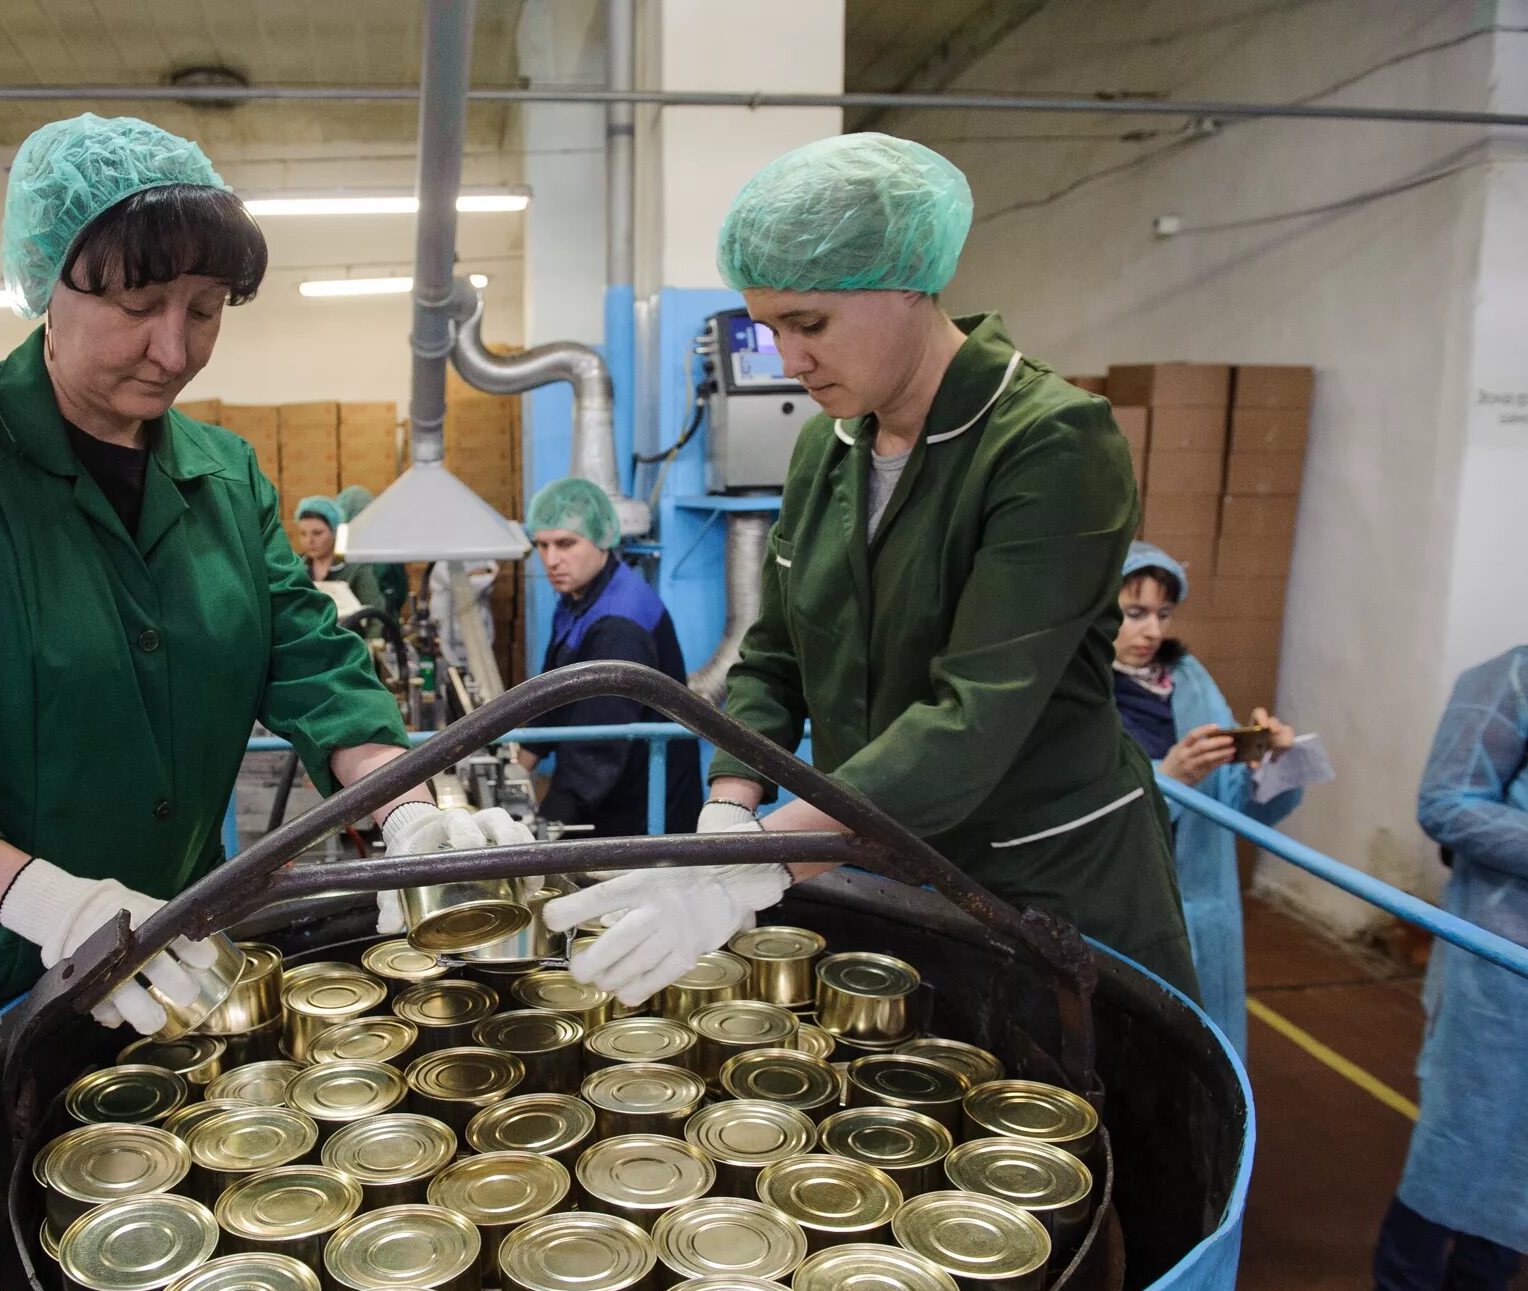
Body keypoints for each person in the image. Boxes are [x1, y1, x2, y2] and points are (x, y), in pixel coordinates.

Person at [0, 113, 529, 1291]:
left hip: (158, 958)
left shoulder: (223, 477)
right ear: (48, 281)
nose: (171, 346)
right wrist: (39, 896)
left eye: (204, 307)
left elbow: (307, 653)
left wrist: (407, 794)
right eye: (136, 304)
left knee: (124, 1251)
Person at [550, 131, 1196, 1005]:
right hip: (890, 865)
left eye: (809, 324)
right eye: (770, 328)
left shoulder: (1050, 443)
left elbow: (974, 716)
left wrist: (759, 862)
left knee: (1072, 1116)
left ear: (909, 286)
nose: (790, 361)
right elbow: (775, 652)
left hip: (1044, 882)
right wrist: (731, 807)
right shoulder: (830, 444)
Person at [1366, 646, 1528, 1291]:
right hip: (1502, 959)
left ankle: (1477, 1283)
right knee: (1464, 1136)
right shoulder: (1512, 677)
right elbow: (1448, 802)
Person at [1111, 541, 1303, 1055]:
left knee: (1200, 1053)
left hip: (1200, 904)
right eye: (1133, 613)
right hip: (1125, 907)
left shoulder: (1189, 682)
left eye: (1162, 614)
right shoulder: (1079, 691)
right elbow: (1075, 809)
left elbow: (1236, 807)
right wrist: (1166, 778)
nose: (1153, 630)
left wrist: (1271, 761)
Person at [516, 477, 698, 838]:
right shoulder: (579, 597)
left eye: (566, 544)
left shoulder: (619, 624)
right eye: (542, 545)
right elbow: (553, 690)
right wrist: (521, 761)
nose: (551, 560)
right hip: (608, 790)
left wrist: (541, 830)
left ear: (601, 538)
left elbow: (595, 752)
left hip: (641, 810)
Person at [296, 494, 384, 620]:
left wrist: (374, 639)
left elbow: (375, 614)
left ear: (334, 531)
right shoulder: (295, 568)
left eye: (317, 533)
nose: (309, 540)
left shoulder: (356, 569)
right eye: (303, 534)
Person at [337, 485, 411, 624]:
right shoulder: (386, 544)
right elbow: (401, 588)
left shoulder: (342, 550)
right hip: (375, 621)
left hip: (373, 623)